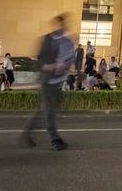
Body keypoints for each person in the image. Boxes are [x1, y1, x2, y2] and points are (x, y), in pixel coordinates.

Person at [21, 13, 76, 151]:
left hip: (60, 81)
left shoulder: (68, 41)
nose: (62, 26)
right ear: (55, 25)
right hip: (48, 80)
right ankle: (54, 139)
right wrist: (48, 67)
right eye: (60, 24)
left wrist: (70, 68)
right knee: (50, 110)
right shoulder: (47, 40)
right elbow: (38, 62)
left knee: (44, 109)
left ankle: (26, 134)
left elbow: (70, 60)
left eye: (64, 23)